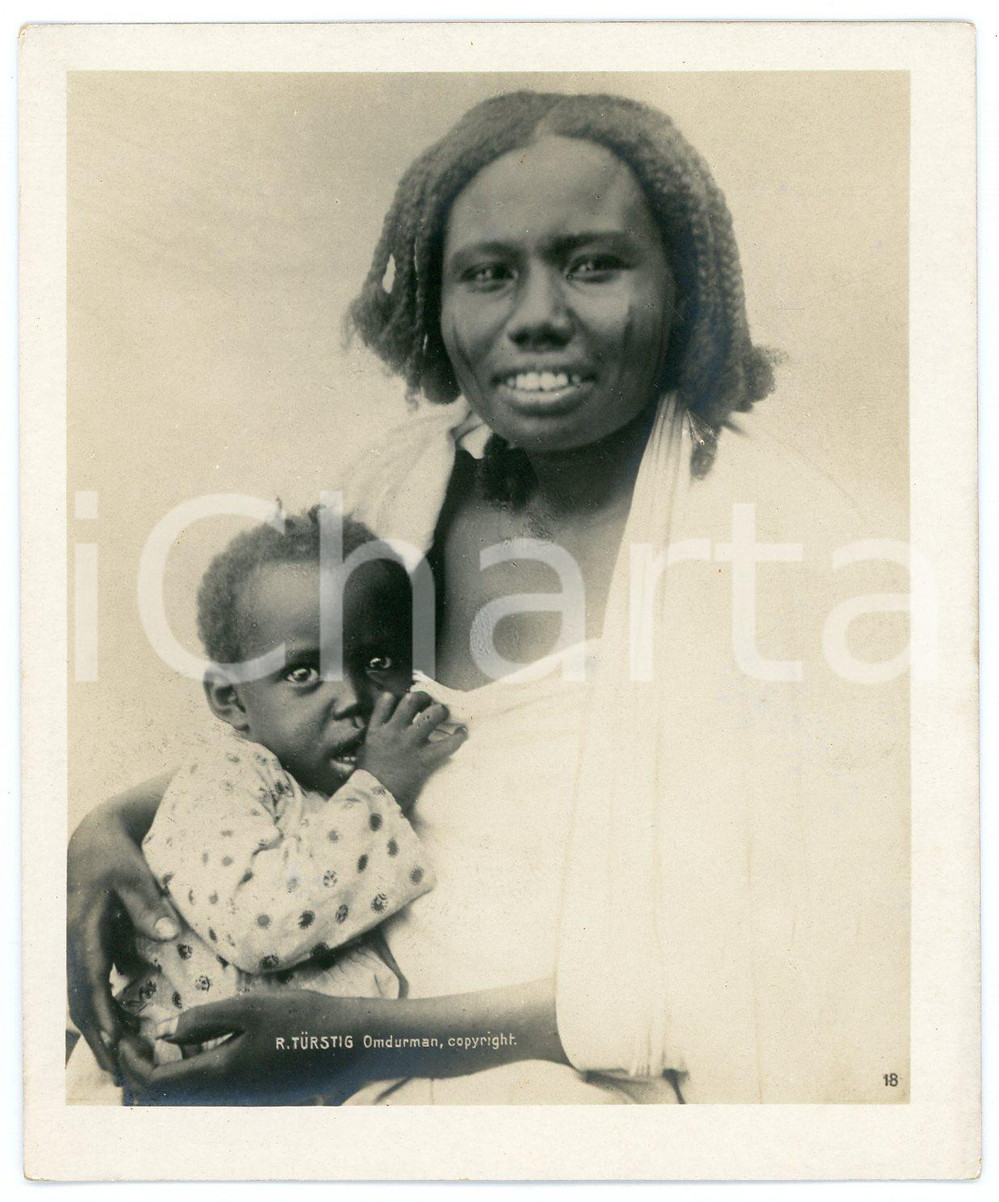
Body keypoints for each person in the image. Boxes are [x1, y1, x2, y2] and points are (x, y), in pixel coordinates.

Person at [67, 90, 908, 1105]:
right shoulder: (400, 486)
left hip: (573, 1092)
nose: (538, 314)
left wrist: (348, 1041)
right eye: (488, 273)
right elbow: (291, 732)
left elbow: (746, 972)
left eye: (593, 262)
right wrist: (105, 827)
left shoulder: (776, 534)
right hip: (315, 1029)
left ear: (684, 286)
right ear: (436, 293)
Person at [67, 508, 466, 1101]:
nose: (353, 697)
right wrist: (382, 788)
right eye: (304, 672)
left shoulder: (316, 786)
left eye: (378, 662)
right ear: (232, 701)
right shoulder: (220, 783)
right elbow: (265, 926)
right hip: (174, 1090)